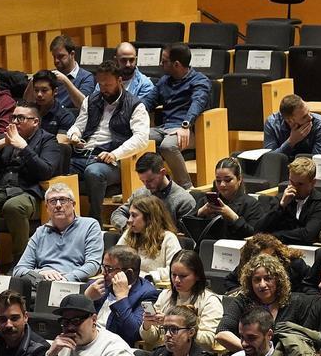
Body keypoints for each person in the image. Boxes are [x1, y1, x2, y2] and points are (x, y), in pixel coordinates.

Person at [65, 61, 151, 212]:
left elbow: (141, 139)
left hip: (111, 161)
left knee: (93, 172)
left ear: (119, 81)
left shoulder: (135, 105)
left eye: (108, 84)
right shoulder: (90, 100)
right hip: (83, 154)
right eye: (100, 84)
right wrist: (74, 135)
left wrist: (115, 154)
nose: (103, 88)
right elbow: (78, 125)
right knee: (56, 164)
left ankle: (95, 219)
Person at [0, 100, 63, 258]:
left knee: (13, 207)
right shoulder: (7, 139)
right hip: (1, 190)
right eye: (13, 118)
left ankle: (21, 260)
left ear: (35, 122)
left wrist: (24, 148)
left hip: (29, 192)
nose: (15, 122)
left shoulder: (48, 140)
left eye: (21, 118)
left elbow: (45, 172)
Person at [216, 254, 321, 353]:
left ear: (278, 280)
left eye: (268, 278)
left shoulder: (296, 302)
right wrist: (255, 351)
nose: (262, 285)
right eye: (257, 280)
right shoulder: (242, 301)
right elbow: (222, 333)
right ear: (250, 283)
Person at [12, 182, 104, 284]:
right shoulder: (40, 232)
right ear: (47, 207)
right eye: (53, 201)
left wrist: (65, 279)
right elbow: (19, 270)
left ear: (73, 205)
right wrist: (41, 272)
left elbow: (93, 265)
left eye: (63, 200)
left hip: (71, 284)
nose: (58, 205)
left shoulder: (90, 225)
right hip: (41, 283)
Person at [151, 43, 212, 189]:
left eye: (164, 61)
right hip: (165, 128)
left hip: (190, 131)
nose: (160, 64)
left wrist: (185, 125)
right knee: (139, 137)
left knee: (168, 146)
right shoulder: (164, 81)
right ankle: (157, 185)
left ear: (176, 64)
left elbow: (198, 103)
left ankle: (187, 188)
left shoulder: (199, 81)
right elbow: (148, 100)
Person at [138, 250, 223, 352]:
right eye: (174, 275)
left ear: (197, 276)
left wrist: (172, 324)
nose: (177, 280)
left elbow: (207, 340)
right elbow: (150, 339)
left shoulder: (210, 301)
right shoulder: (165, 295)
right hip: (164, 354)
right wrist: (147, 325)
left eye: (183, 276)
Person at [85, 247, 160, 347]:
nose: (103, 273)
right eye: (103, 267)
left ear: (128, 273)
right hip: (88, 341)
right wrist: (86, 299)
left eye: (109, 269)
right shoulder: (97, 286)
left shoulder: (147, 293)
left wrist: (122, 297)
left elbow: (134, 333)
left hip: (115, 347)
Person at [252, 156, 321, 245]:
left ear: (313, 183)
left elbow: (307, 235)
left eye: (300, 184)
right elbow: (258, 229)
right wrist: (281, 206)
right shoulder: (281, 199)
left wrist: (273, 236)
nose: (294, 187)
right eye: (291, 182)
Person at [109, 152, 197, 233]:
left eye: (150, 180)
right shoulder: (139, 194)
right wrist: (128, 227)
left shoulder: (184, 200)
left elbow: (185, 234)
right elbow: (117, 214)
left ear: (163, 172)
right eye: (142, 181)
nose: (146, 185)